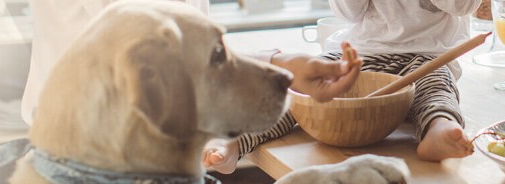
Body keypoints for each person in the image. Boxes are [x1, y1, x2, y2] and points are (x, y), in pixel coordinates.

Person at [203, 0, 481, 174]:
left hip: (428, 56)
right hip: (363, 51)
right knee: (300, 93)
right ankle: (237, 140)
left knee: (436, 87)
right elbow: (349, 11)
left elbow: (462, 5)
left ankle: (439, 127)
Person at [21, 0, 364, 125]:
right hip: (99, 143)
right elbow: (163, 51)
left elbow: (192, 46)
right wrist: (277, 68)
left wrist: (281, 66)